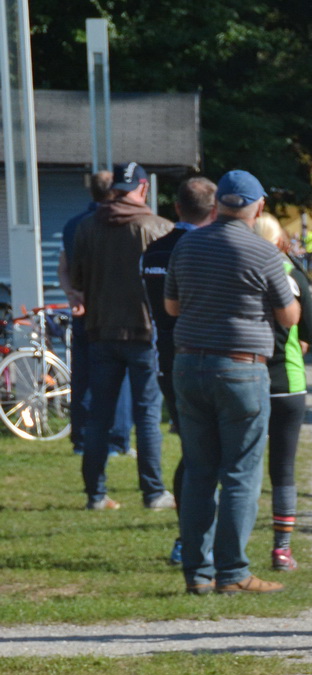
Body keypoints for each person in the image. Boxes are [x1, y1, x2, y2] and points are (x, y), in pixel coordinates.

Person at [163, 170, 299, 595]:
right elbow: (290, 317)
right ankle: (233, 572)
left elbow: (171, 306)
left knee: (200, 470)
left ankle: (197, 574)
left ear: (219, 203)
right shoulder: (262, 252)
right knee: (240, 472)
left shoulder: (186, 244)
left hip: (188, 366)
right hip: (241, 368)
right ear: (257, 207)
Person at [65, 161, 174, 512]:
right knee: (147, 415)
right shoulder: (158, 228)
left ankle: (95, 495)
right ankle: (153, 492)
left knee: (99, 416)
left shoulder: (87, 227)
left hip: (101, 331)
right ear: (142, 188)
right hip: (145, 332)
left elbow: (77, 280)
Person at [142, 176, 218, 563]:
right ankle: (197, 538)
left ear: (176, 209)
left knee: (193, 449)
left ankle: (187, 537)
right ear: (216, 209)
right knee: (211, 453)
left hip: (168, 360)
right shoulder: (208, 249)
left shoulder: (153, 252)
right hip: (208, 357)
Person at [250, 212, 312, 572]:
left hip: (246, 375)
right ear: (280, 241)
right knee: (283, 468)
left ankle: (232, 545)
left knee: (242, 466)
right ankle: (281, 549)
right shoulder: (292, 274)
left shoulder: (239, 269)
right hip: (288, 381)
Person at [57, 170, 133, 458]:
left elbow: (63, 267)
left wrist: (72, 294)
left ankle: (81, 438)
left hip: (82, 309)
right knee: (120, 375)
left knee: (83, 375)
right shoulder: (116, 224)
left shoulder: (73, 225)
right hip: (114, 311)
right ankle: (117, 439)